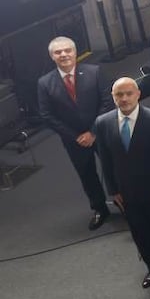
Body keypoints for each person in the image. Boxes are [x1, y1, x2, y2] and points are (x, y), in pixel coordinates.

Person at [93, 77, 150, 289]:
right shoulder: (102, 123)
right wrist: (112, 190)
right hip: (127, 193)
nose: (124, 98)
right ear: (113, 98)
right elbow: (105, 159)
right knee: (140, 233)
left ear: (138, 94)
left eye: (128, 93)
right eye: (119, 95)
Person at [37, 36, 114, 230]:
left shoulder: (94, 72)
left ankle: (127, 203)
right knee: (87, 175)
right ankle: (99, 209)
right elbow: (47, 115)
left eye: (67, 50)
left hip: (100, 132)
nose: (63, 55)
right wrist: (76, 137)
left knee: (114, 168)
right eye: (58, 52)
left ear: (75, 52)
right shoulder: (44, 83)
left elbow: (107, 102)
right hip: (74, 140)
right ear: (52, 56)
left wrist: (92, 132)